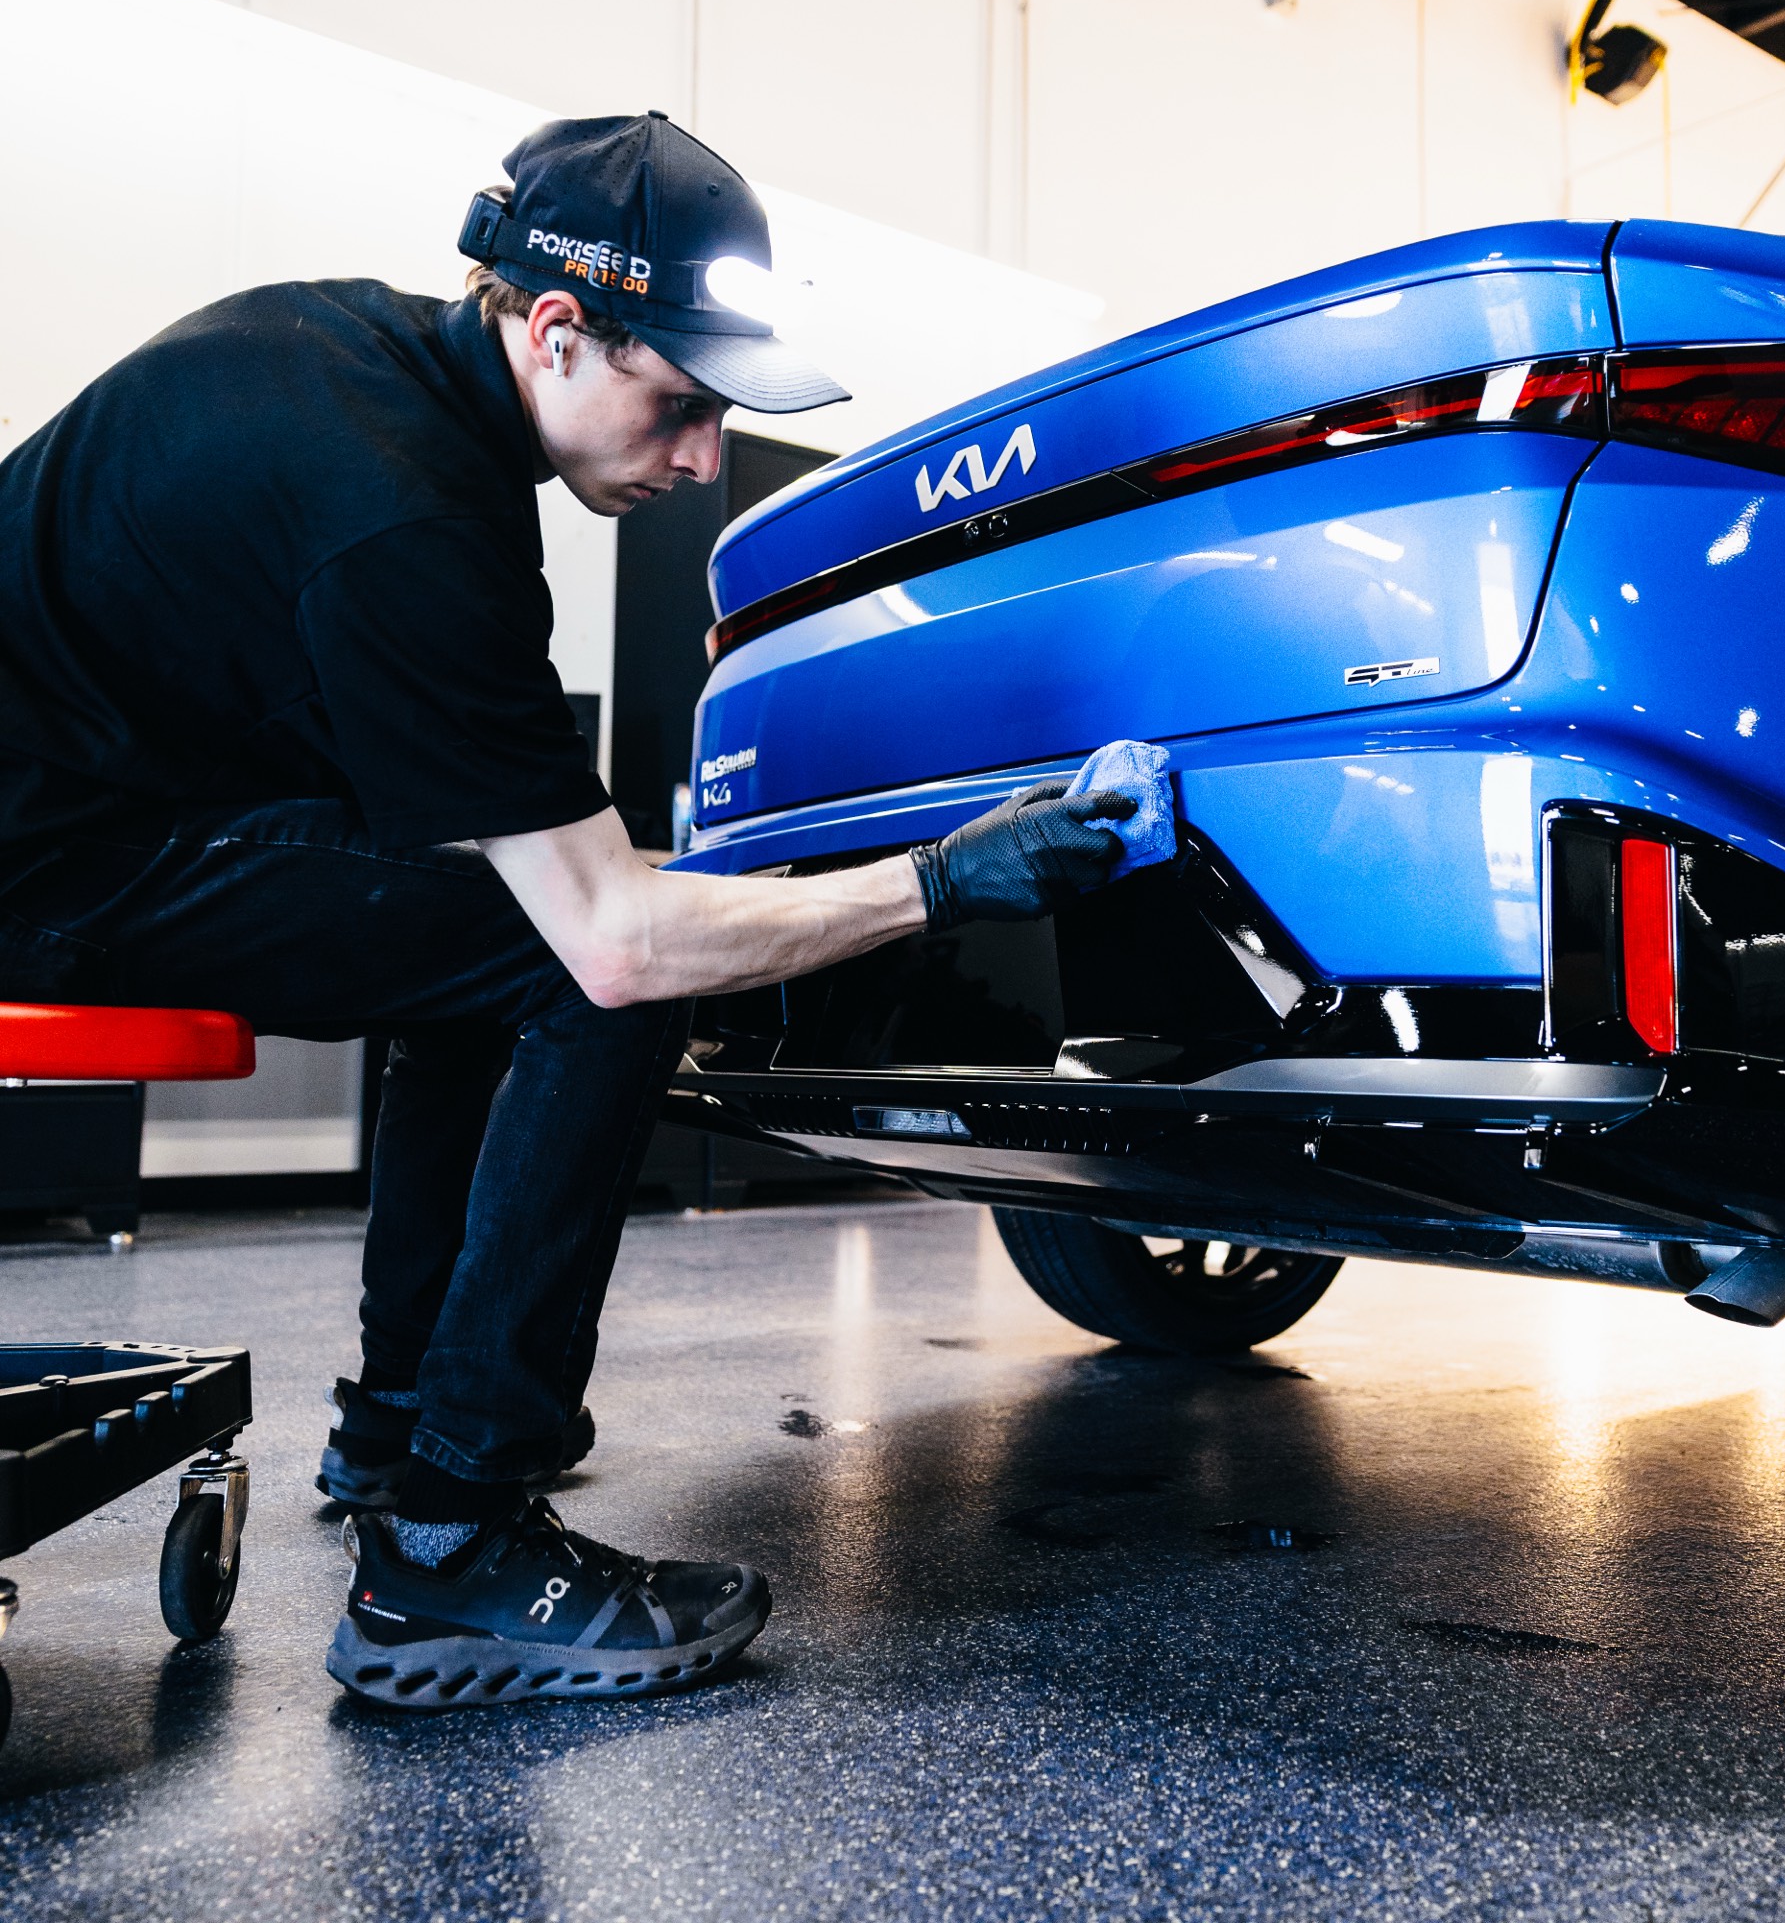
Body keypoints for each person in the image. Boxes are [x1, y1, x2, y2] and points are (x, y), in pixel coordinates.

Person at [0, 112, 1150, 1708]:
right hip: (45, 869)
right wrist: (944, 881)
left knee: (487, 943)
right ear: (556, 329)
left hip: (86, 802)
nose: (700, 460)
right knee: (591, 977)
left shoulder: (356, 361)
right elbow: (613, 937)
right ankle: (453, 1552)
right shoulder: (406, 513)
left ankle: (406, 1427)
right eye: (681, 405)